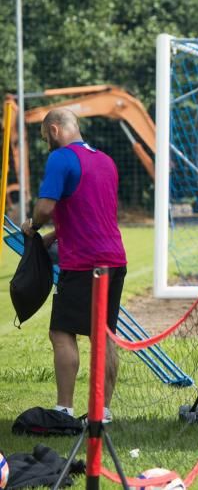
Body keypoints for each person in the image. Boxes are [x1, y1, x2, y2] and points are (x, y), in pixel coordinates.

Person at [20, 109, 127, 423]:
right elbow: (91, 211)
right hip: (115, 260)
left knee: (62, 333)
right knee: (104, 335)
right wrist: (56, 235)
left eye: (45, 137)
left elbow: (44, 207)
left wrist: (34, 226)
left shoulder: (61, 158)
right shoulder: (106, 161)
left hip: (83, 264)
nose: (47, 145)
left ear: (54, 129)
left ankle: (63, 411)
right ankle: (102, 413)